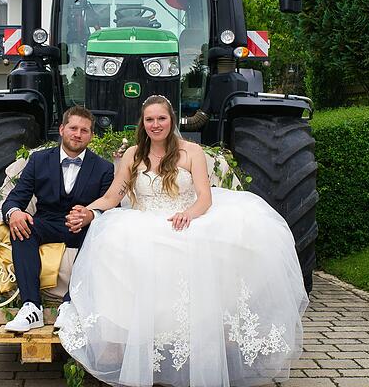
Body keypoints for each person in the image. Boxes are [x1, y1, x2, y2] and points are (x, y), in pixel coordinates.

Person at [57, 95, 309, 386]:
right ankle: (129, 343)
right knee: (116, 243)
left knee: (215, 243)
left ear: (171, 120)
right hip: (143, 220)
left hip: (186, 217)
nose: (155, 124)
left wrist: (188, 214)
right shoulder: (133, 155)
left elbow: (205, 197)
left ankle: (203, 342)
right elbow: (114, 195)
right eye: (149, 119)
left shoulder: (192, 152)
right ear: (143, 123)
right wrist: (90, 210)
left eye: (161, 118)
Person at [2, 106, 114, 332]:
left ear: (91, 136)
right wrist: (14, 213)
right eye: (73, 128)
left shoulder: (104, 168)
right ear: (62, 129)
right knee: (22, 228)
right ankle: (31, 307)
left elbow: (112, 206)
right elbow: (15, 199)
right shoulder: (38, 160)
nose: (78, 134)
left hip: (82, 228)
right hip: (47, 223)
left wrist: (91, 215)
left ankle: (70, 306)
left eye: (84, 130)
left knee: (101, 235)